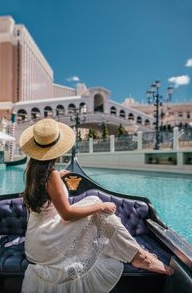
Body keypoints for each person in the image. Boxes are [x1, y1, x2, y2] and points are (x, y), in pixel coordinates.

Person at [20, 119, 173, 293]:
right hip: (46, 244)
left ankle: (136, 253)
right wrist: (102, 207)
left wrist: (60, 176)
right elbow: (67, 214)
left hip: (35, 243)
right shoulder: (50, 175)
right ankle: (139, 256)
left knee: (93, 202)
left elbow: (48, 191)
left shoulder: (33, 171)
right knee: (96, 205)